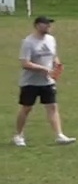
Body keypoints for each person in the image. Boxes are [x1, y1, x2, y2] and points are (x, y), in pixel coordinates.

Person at [15, 15, 74, 146]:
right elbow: (25, 63)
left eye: (49, 24)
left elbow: (53, 56)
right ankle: (19, 135)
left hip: (47, 82)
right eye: (46, 24)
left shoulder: (51, 40)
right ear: (37, 25)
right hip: (30, 82)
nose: (49, 26)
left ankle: (59, 135)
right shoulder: (28, 42)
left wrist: (57, 65)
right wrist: (44, 69)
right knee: (26, 108)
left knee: (52, 107)